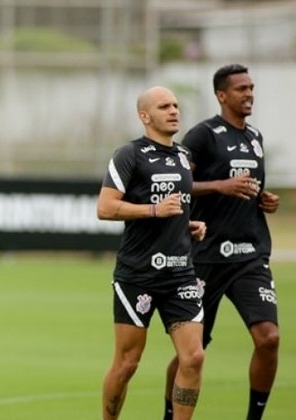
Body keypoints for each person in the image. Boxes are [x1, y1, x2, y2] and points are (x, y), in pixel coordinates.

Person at [163, 64, 280, 420]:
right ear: (222, 95)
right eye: (242, 89)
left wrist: (264, 200)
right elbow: (177, 182)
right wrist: (220, 186)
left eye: (251, 87)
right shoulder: (203, 135)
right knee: (192, 352)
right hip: (206, 256)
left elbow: (248, 189)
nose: (249, 94)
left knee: (269, 339)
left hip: (250, 255)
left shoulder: (255, 137)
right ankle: (170, 414)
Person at [97, 86, 207, 420]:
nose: (174, 110)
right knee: (127, 364)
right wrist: (154, 211)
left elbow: (174, 208)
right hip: (138, 274)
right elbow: (105, 208)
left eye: (175, 105)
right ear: (144, 116)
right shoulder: (129, 154)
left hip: (181, 274)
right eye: (164, 106)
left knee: (193, 357)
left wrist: (186, 225)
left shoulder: (184, 156)